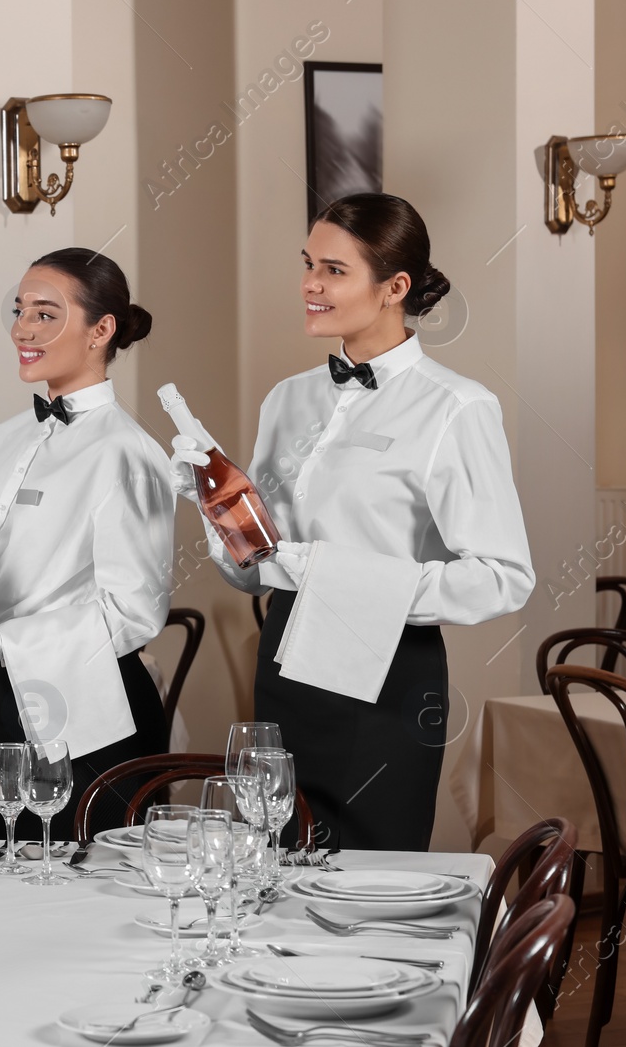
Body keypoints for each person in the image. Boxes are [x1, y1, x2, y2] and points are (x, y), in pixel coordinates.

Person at [169, 192, 533, 852]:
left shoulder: (456, 408)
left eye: (334, 270)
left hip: (388, 678)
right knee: (275, 869)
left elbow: (503, 579)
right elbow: (258, 571)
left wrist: (331, 572)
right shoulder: (287, 399)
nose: (311, 283)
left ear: (396, 286)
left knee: (365, 888)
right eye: (309, 264)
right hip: (284, 658)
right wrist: (210, 504)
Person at [0, 248, 175, 841]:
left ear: (101, 330)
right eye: (19, 311)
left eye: (45, 313)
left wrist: (5, 641)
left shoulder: (128, 452)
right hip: (8, 697)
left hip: (98, 707)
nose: (22, 329)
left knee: (89, 894)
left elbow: (134, 613)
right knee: (5, 880)